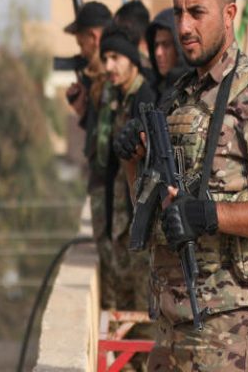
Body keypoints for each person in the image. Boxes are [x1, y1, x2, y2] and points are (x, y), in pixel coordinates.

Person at [116, 0, 248, 371]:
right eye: (179, 12)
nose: (183, 27)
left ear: (230, 13)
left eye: (197, 12)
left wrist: (208, 214)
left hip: (226, 331)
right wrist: (133, 158)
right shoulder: (178, 94)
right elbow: (148, 210)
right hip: (168, 326)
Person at [100, 22, 156, 311]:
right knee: (124, 307)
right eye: (105, 59)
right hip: (123, 224)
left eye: (115, 58)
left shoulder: (144, 99)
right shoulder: (119, 99)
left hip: (141, 225)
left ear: (132, 59)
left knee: (143, 313)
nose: (109, 66)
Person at [63, 0, 116, 307]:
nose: (81, 49)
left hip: (114, 200)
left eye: (82, 40)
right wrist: (83, 111)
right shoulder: (99, 83)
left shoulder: (111, 83)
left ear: (94, 37)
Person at [145, 7, 190, 106]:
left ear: (179, 47)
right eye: (156, 45)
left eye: (166, 45)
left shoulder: (189, 93)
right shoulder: (154, 90)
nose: (158, 53)